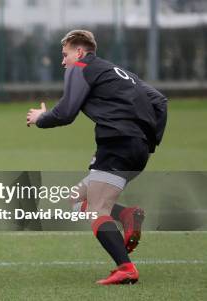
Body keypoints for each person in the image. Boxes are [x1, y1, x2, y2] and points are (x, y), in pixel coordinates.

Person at [26, 30, 167, 285]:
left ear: (79, 52)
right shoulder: (119, 72)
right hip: (137, 150)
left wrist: (40, 119)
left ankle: (126, 268)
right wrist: (148, 142)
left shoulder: (81, 67)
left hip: (117, 146)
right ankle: (127, 215)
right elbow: (160, 101)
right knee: (76, 199)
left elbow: (66, 112)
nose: (63, 62)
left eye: (65, 54)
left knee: (95, 209)